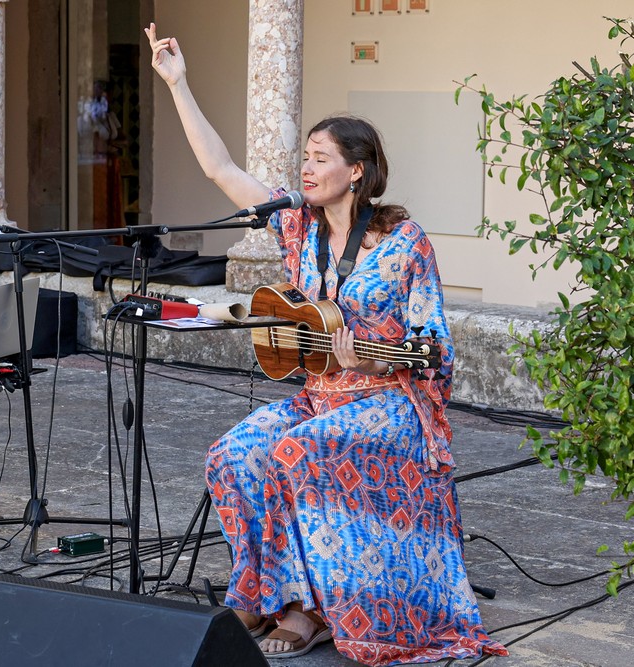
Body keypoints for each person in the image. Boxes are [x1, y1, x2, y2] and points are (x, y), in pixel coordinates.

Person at [145, 24, 508, 665]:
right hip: (321, 395)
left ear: (356, 170)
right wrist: (178, 84)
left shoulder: (404, 244)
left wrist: (371, 357)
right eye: (305, 158)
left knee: (297, 450)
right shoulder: (298, 227)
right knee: (234, 454)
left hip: (390, 403)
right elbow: (220, 169)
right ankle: (258, 591)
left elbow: (433, 348)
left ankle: (308, 611)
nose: (306, 169)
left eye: (319, 158)